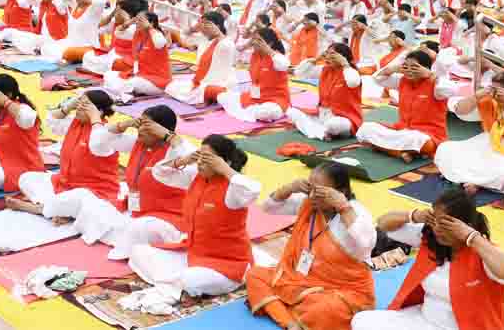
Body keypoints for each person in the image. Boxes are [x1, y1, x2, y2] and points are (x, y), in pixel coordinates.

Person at [353, 185, 504, 330]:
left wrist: (472, 237)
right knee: (362, 321)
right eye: (435, 221)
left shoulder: (482, 250)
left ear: (465, 226)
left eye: (445, 224)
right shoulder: (430, 238)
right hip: (423, 320)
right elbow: (383, 224)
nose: (437, 229)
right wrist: (415, 215)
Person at [46, 105, 197, 260]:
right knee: (87, 201)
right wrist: (126, 124)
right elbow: (98, 141)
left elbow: (197, 160)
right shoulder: (138, 143)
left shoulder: (174, 151)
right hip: (133, 211)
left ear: (162, 131)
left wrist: (169, 136)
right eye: (140, 124)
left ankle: (106, 231)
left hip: (165, 219)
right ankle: (111, 233)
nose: (140, 130)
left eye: (147, 127)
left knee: (140, 228)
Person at [129, 135, 261, 300]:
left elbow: (253, 190)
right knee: (138, 252)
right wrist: (185, 160)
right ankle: (174, 282)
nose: (200, 163)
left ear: (223, 162)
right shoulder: (196, 177)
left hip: (227, 263)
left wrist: (224, 167)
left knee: (190, 281)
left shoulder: (233, 189)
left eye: (207, 159)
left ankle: (179, 282)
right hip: (193, 253)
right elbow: (159, 172)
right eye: (200, 157)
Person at [247, 163, 376, 330]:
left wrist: (343, 207)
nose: (313, 196)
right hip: (300, 278)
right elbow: (268, 207)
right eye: (310, 189)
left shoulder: (356, 212)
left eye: (320, 192)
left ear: (341, 192)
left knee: (325, 309)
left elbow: (367, 243)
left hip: (340, 289)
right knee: (255, 275)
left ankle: (284, 308)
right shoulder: (310, 203)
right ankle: (290, 322)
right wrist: (290, 188)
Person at [13, 90, 124, 219]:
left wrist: (95, 118)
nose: (78, 108)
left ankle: (41, 208)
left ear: (99, 112)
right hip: (64, 184)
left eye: (84, 105)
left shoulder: (106, 133)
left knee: (81, 198)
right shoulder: (74, 122)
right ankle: (58, 210)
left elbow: (98, 140)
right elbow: (52, 120)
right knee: (26, 178)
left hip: (93, 190)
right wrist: (69, 106)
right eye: (79, 104)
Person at [357, 51, 455, 162]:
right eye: (406, 67)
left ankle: (383, 147)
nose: (409, 70)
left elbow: (450, 90)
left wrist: (431, 74)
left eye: (414, 67)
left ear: (425, 68)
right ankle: (400, 153)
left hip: (426, 134)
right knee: (366, 128)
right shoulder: (402, 80)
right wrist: (393, 69)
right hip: (401, 130)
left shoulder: (435, 84)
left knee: (418, 140)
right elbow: (377, 78)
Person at [290, 43, 365, 140]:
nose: (328, 57)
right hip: (322, 115)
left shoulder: (351, 71)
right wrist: (317, 59)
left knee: (333, 125)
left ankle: (316, 130)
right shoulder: (325, 70)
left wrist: (345, 64)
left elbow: (353, 82)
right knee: (292, 112)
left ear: (343, 57)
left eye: (332, 54)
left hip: (344, 118)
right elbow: (299, 73)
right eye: (327, 53)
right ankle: (322, 133)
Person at [216, 27, 291, 122]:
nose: (255, 42)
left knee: (267, 112)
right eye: (253, 39)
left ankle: (260, 111)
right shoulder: (254, 55)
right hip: (257, 96)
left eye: (259, 40)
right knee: (222, 97)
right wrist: (247, 45)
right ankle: (254, 110)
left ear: (270, 43)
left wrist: (268, 50)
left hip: (276, 99)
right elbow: (235, 55)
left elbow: (284, 65)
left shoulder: (276, 56)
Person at [166, 11, 237, 105]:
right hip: (202, 81)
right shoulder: (203, 40)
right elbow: (184, 34)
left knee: (211, 90)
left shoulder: (226, 43)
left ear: (217, 26)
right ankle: (207, 95)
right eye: (202, 24)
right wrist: (194, 29)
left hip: (219, 83)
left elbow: (227, 49)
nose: (203, 27)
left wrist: (219, 33)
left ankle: (209, 96)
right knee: (171, 87)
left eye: (206, 24)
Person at [103, 12, 173, 102]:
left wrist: (150, 28)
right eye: (137, 20)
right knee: (109, 74)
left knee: (132, 83)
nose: (137, 22)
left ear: (151, 23)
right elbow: (118, 33)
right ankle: (127, 91)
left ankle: (124, 94)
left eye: (140, 20)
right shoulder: (137, 33)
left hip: (157, 80)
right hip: (141, 75)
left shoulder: (157, 34)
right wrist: (129, 23)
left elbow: (159, 43)